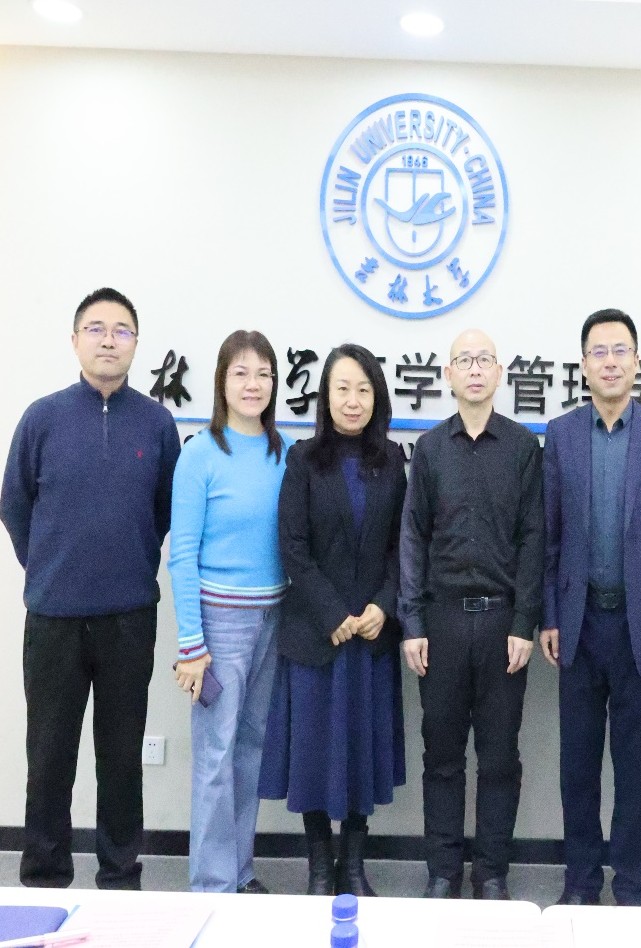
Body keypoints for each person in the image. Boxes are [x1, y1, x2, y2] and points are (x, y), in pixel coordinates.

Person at [0, 287, 181, 890]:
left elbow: (164, 512)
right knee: (49, 755)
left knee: (122, 757)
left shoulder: (157, 423)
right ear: (75, 340)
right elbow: (14, 507)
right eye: (97, 329)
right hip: (53, 618)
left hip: (129, 618)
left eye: (121, 330)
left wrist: (127, 563)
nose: (109, 340)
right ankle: (44, 874)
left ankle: (120, 875)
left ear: (136, 344)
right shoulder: (42, 418)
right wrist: (49, 570)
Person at [541, 308, 641, 907]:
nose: (610, 362)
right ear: (583, 365)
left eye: (620, 350)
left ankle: (632, 885)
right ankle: (581, 882)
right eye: (598, 352)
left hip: (640, 629)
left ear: (637, 361)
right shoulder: (561, 434)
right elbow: (550, 538)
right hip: (578, 627)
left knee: (633, 770)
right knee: (577, 768)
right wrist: (550, 616)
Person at [398, 329, 544, 901]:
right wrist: (412, 624)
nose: (476, 369)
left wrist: (525, 622)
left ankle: (491, 873)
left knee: (500, 758)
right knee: (441, 755)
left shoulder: (523, 447)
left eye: (485, 359)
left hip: (504, 625)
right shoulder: (431, 449)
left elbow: (534, 539)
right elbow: (413, 537)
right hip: (442, 624)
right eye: (465, 360)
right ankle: (443, 871)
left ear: (500, 372)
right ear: (450, 375)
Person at [259, 344, 407, 896]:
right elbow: (292, 547)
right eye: (342, 388)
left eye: (363, 389)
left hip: (371, 634)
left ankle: (354, 866)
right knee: (314, 754)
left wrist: (382, 606)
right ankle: (320, 868)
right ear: (326, 395)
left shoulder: (392, 459)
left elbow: (402, 546)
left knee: (363, 753)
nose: (353, 400)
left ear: (377, 397)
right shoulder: (303, 459)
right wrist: (333, 614)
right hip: (316, 636)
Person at [169, 330, 293, 894]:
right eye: (241, 373)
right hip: (220, 624)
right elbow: (181, 554)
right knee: (216, 754)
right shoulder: (200, 453)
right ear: (221, 382)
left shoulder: (283, 451)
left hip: (274, 617)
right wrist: (191, 645)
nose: (253, 384)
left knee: (251, 750)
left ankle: (240, 872)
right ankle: (211, 886)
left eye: (263, 374)